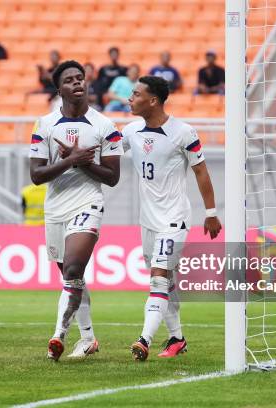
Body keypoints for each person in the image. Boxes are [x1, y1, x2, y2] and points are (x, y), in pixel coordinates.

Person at [29, 60, 123, 361]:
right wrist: (71, 160)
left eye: (80, 78)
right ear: (60, 89)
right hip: (55, 207)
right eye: (69, 80)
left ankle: (58, 336)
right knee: (73, 277)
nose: (77, 83)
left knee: (71, 269)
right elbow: (36, 175)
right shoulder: (43, 124)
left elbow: (112, 178)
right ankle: (88, 339)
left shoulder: (105, 126)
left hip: (88, 202)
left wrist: (85, 163)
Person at [122, 76, 222, 361]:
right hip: (148, 221)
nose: (130, 98)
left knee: (158, 280)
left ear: (152, 100)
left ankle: (144, 340)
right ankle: (177, 338)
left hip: (174, 219)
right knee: (168, 281)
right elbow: (108, 152)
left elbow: (201, 171)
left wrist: (211, 213)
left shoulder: (183, 132)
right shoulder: (130, 131)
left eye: (136, 94)